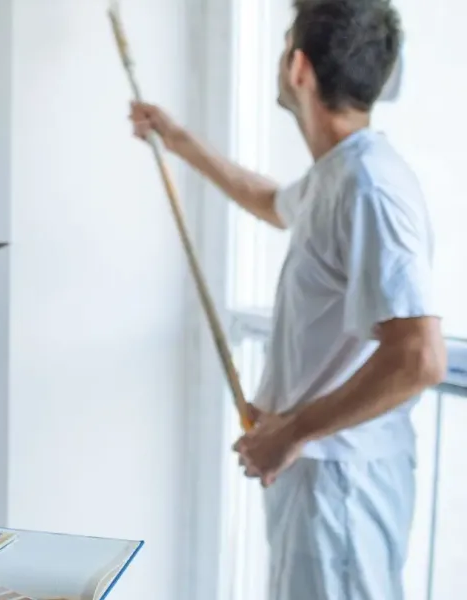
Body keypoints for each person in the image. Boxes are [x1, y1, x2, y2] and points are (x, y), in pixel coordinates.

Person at [130, 1, 446, 599]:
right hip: (317, 477)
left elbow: (420, 357)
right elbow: (271, 201)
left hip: (343, 485)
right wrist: (178, 140)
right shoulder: (338, 175)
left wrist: (292, 431)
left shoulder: (369, 186)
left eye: (283, 47)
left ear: (298, 67)